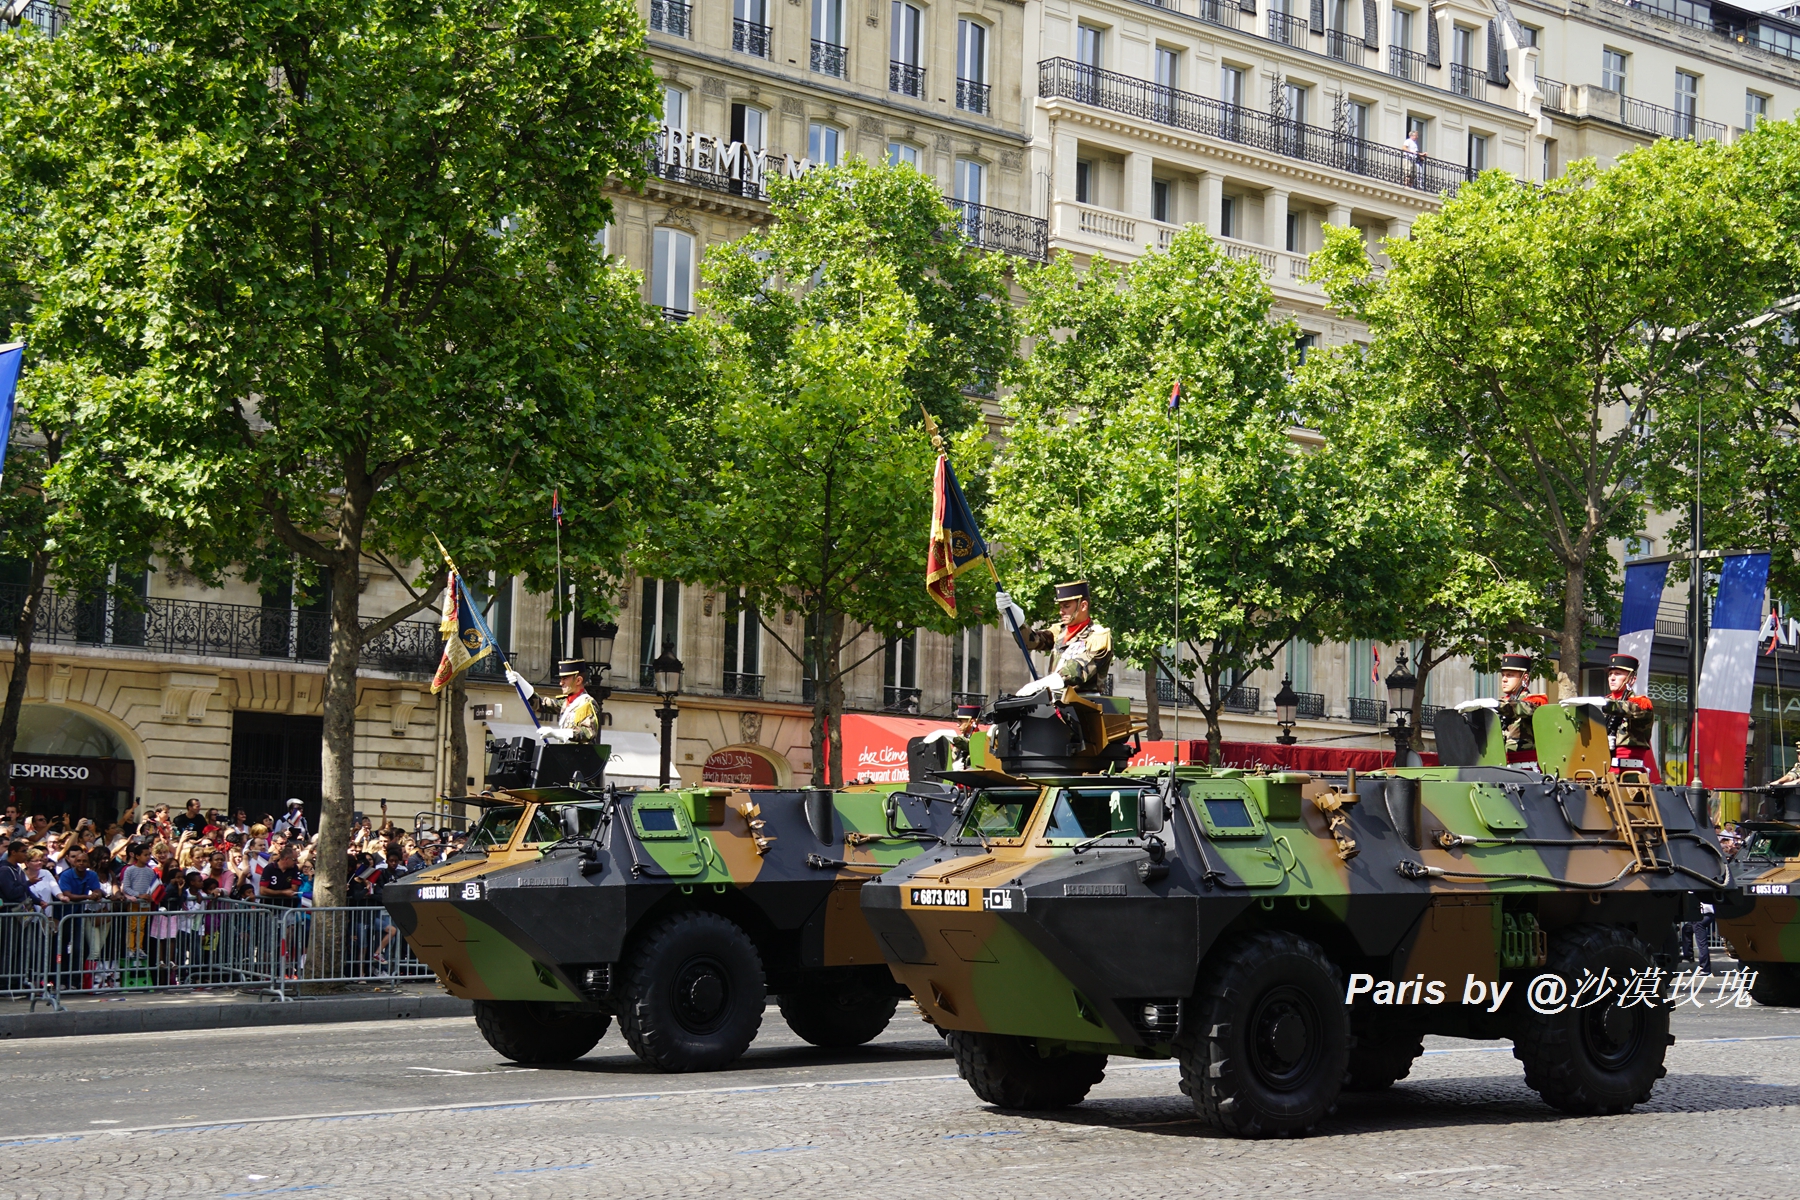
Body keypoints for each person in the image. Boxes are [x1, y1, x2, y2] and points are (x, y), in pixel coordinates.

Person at [1002, 581, 1114, 698]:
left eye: (1066, 606)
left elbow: (1078, 670)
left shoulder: (1098, 637)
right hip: (1056, 700)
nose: (1061, 611)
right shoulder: (1060, 632)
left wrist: (1042, 684)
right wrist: (1015, 618)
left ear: (1083, 606)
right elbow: (1031, 641)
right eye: (1060, 607)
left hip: (1085, 704)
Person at [1601, 653, 1659, 780]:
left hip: (1628, 774)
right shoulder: (1602, 703)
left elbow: (1626, 708)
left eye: (1618, 674)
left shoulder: (1641, 703)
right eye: (1610, 674)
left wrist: (1600, 705)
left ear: (1632, 679)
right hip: (1600, 771)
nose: (1612, 678)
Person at [553, 660, 600, 743]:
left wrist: (563, 733)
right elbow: (540, 704)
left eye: (565, 679)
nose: (561, 683)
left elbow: (588, 732)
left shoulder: (586, 703)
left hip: (580, 754)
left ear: (578, 680)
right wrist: (522, 684)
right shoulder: (566, 702)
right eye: (561, 679)